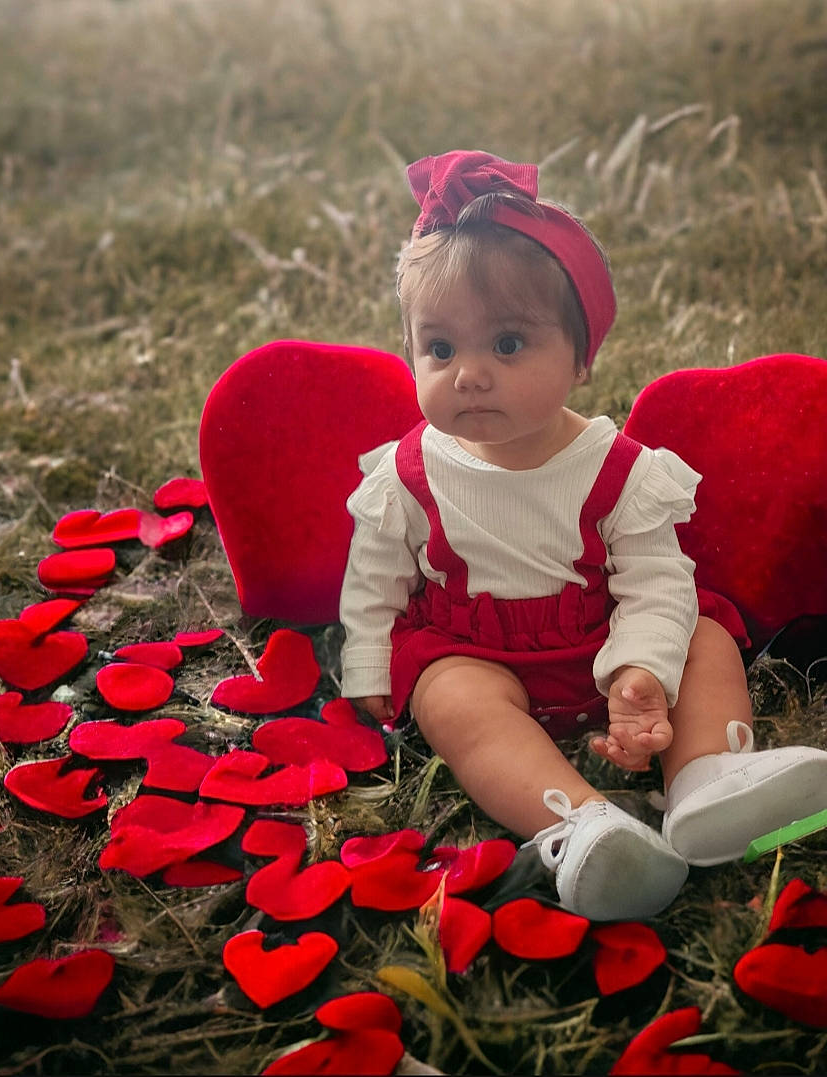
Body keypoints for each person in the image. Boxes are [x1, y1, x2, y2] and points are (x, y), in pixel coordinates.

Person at [339, 149, 827, 921]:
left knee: (703, 637)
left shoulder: (622, 470)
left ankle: (707, 780)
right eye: (439, 347)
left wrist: (642, 670)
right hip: (481, 652)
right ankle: (579, 822)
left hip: (609, 640)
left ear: (581, 357)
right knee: (449, 696)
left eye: (506, 345)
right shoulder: (409, 472)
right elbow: (375, 578)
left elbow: (656, 582)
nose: (467, 373)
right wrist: (366, 658)